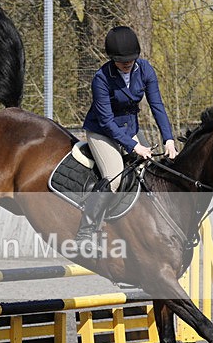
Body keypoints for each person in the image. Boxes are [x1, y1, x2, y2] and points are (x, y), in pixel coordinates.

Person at [75, 25, 177, 254]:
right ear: (112, 59)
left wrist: (168, 139)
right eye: (122, 62)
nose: (127, 64)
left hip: (130, 128)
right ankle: (86, 231)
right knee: (114, 176)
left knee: (150, 172)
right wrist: (134, 146)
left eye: (131, 60)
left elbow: (157, 106)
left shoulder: (146, 70)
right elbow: (107, 122)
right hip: (102, 131)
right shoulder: (101, 78)